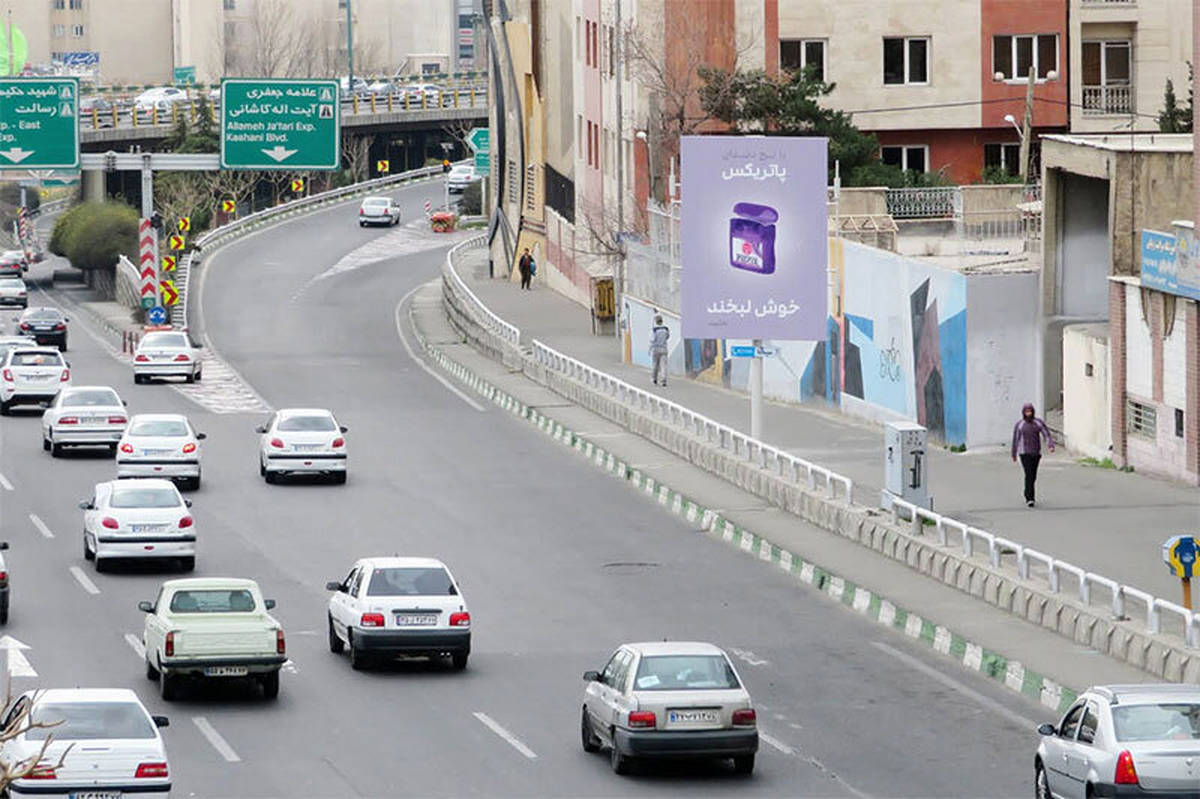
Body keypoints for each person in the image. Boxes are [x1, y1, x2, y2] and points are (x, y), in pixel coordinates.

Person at [1011, 402, 1055, 507]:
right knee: (1029, 474)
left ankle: (1027, 491)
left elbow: (1046, 434)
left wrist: (1050, 445)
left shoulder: (1038, 423)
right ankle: (1030, 498)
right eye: (1026, 412)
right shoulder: (1020, 425)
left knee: (1033, 475)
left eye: (1030, 411)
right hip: (1024, 453)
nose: (1028, 414)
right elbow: (1015, 439)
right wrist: (1014, 453)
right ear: (1023, 413)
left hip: (1035, 452)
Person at [649, 315, 670, 386]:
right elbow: (667, 337)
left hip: (656, 349)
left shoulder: (654, 330)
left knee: (655, 365)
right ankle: (663, 380)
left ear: (656, 321)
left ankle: (654, 378)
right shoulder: (665, 329)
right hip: (664, 349)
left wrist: (650, 349)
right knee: (663, 365)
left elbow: (652, 340)